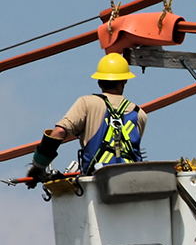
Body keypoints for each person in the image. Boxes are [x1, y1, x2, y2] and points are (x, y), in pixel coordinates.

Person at [27, 53, 147, 186]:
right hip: (132, 183)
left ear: (99, 81)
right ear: (125, 81)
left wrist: (38, 166)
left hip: (97, 183)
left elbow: (59, 132)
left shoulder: (87, 103)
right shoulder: (139, 114)